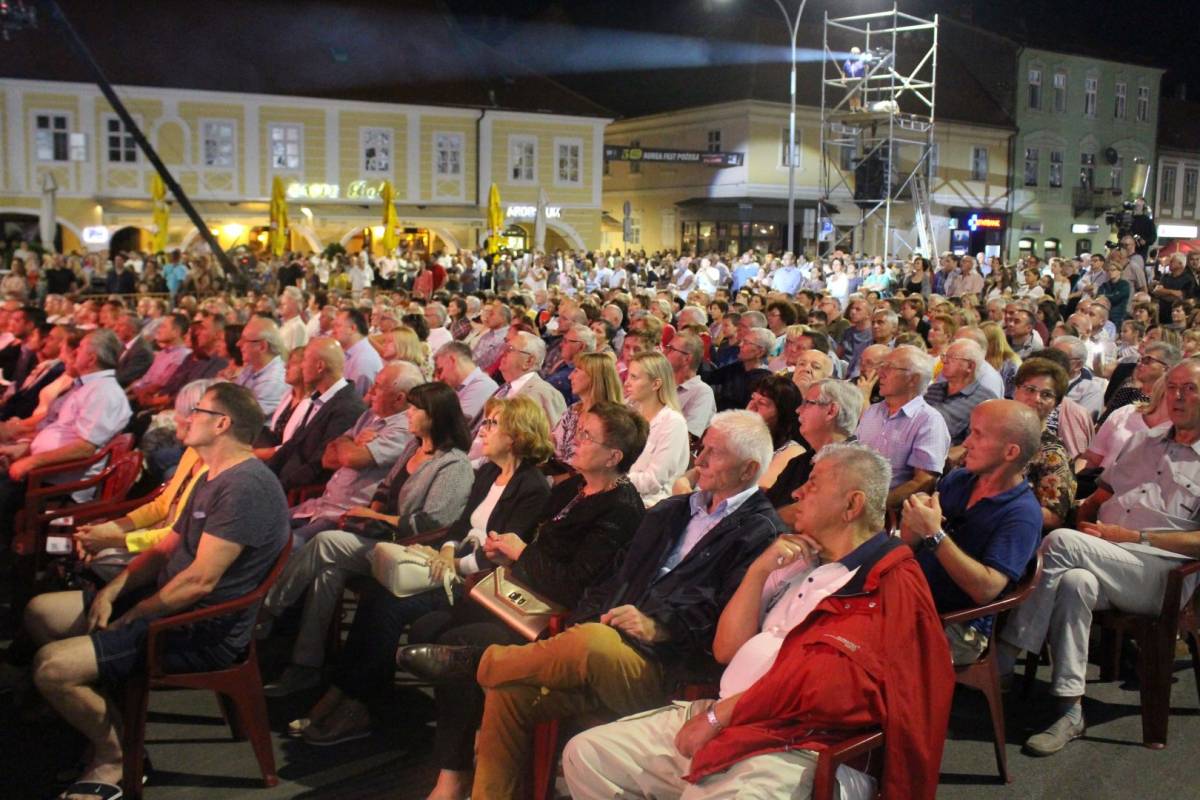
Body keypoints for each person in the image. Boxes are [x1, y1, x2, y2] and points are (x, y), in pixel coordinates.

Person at [419, 410, 781, 798]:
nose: (700, 460)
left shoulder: (759, 532)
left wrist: (659, 626)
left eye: (715, 453)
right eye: (701, 448)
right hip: (608, 640)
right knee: (510, 692)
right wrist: (584, 621)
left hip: (665, 664)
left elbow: (722, 614)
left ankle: (478, 663)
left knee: (590, 641)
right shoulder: (673, 509)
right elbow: (612, 578)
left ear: (749, 469)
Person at [563, 444, 953, 800]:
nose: (797, 492)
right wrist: (759, 571)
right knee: (589, 755)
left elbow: (826, 690)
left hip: (796, 744)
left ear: (851, 506)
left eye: (813, 485)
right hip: (729, 716)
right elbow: (725, 650)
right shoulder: (798, 559)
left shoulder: (886, 582)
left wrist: (717, 717)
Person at [25, 383, 289, 800]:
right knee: (41, 612)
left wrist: (135, 614)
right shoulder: (212, 472)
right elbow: (166, 549)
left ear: (222, 423)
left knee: (51, 667)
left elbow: (200, 581)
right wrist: (113, 591)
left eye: (198, 411)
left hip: (200, 627)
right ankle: (109, 721)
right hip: (171, 605)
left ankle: (116, 757)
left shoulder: (245, 487)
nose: (187, 418)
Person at [396, 402, 649, 800]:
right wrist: (506, 552)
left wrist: (520, 554)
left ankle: (453, 775)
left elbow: (574, 586)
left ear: (613, 456)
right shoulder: (572, 487)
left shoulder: (621, 510)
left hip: (553, 620)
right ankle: (467, 742)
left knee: (457, 645)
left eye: (587, 436)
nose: (575, 440)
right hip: (520, 594)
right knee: (429, 626)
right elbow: (535, 548)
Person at [274, 394, 548, 714]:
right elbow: (460, 525)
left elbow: (500, 553)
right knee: (373, 592)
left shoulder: (532, 487)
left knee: (384, 602)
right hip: (449, 565)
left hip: (477, 583)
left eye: (492, 423)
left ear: (516, 435)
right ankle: (341, 691)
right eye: (484, 421)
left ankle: (357, 703)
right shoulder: (489, 473)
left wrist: (453, 562)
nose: (483, 430)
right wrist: (446, 552)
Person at [997, 358, 1200, 757]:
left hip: (1163, 572)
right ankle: (1069, 709)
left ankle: (1004, 655)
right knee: (1075, 583)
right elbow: (1103, 492)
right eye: (1173, 387)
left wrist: (1133, 535)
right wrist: (1086, 513)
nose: (1177, 396)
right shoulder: (1144, 440)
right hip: (1107, 555)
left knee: (1061, 542)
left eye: (1190, 388)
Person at [898, 400, 1044, 665]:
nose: (966, 443)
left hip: (959, 626)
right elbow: (910, 546)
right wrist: (914, 518)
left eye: (978, 434)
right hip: (913, 601)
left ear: (1010, 452)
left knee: (864, 646)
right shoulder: (960, 479)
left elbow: (986, 589)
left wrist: (934, 534)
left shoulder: (1022, 513)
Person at [72, 380, 215, 581]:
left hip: (173, 562)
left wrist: (117, 540)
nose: (175, 417)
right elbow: (160, 506)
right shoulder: (192, 453)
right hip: (157, 539)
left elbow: (177, 537)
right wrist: (109, 529)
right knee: (93, 545)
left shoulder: (215, 473)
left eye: (181, 412)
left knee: (102, 558)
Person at [0, 329, 132, 535]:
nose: (75, 352)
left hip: (55, 483)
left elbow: (84, 448)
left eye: (80, 349)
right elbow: (58, 430)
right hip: (44, 472)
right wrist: (25, 451)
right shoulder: (87, 387)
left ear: (91, 358)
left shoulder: (104, 393)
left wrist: (31, 462)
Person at [285, 361, 423, 546]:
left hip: (345, 517)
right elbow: (328, 458)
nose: (371, 391)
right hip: (319, 505)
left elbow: (351, 458)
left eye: (378, 386)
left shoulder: (403, 430)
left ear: (399, 398)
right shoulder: (370, 415)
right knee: (264, 524)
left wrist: (348, 447)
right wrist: (354, 443)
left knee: (283, 545)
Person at [855, 345, 951, 515]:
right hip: (855, 497)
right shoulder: (873, 411)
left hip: (888, 511)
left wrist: (874, 508)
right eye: (882, 366)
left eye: (889, 368)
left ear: (913, 379)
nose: (880, 373)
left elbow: (923, 482)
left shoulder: (929, 421)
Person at [265, 337, 367, 492]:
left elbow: (319, 464)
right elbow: (293, 444)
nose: (302, 366)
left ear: (320, 366)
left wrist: (278, 487)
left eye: (305, 360)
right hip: (284, 480)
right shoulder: (321, 397)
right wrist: (264, 474)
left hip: (301, 491)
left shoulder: (347, 407)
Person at [768, 378, 863, 526]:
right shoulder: (799, 462)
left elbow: (817, 517)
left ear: (831, 411)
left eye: (807, 403)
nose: (798, 410)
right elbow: (768, 504)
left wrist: (765, 521)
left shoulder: (854, 467)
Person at [468, 330, 566, 458]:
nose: (502, 354)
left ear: (529, 361)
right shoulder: (506, 387)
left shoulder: (544, 393)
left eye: (509, 349)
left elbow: (551, 448)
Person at [1007, 358, 1078, 530]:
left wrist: (1001, 511)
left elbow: (1053, 516)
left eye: (1046, 395)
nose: (1036, 398)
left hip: (1015, 528)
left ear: (1056, 404)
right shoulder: (996, 431)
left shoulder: (1052, 453)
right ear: (1016, 390)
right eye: (1030, 389)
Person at [624, 351, 690, 508]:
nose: (626, 383)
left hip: (649, 504)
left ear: (655, 384)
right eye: (628, 376)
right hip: (621, 494)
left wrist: (613, 480)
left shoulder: (673, 422)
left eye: (634, 377)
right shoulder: (628, 411)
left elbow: (654, 480)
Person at [551, 351, 623, 466]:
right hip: (556, 468)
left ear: (594, 377)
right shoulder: (574, 409)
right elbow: (554, 442)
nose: (570, 376)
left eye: (576, 371)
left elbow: (598, 463)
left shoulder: (611, 419)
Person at [924, 339, 1000, 445]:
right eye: (944, 356)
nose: (944, 361)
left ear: (970, 366)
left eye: (952, 358)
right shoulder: (932, 389)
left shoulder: (985, 400)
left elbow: (976, 444)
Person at [231, 315, 288, 416]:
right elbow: (232, 395)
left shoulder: (274, 380)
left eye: (244, 340)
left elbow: (246, 417)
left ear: (262, 346)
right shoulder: (253, 367)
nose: (238, 344)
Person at [665, 331, 716, 439]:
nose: (664, 352)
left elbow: (688, 436)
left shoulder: (702, 392)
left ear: (687, 359)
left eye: (671, 349)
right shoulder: (660, 382)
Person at [433, 340, 498, 424]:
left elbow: (452, 426)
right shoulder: (466, 386)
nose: (440, 378)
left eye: (440, 370)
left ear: (452, 360)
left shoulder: (483, 386)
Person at [333, 307, 383, 397]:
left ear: (352, 328)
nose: (333, 331)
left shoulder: (363, 360)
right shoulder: (352, 352)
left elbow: (352, 401)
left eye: (338, 326)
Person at [278, 286, 309, 352]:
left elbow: (296, 355)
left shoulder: (298, 327)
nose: (280, 307)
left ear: (294, 304)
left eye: (283, 304)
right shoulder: (286, 324)